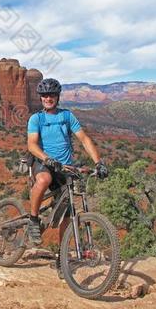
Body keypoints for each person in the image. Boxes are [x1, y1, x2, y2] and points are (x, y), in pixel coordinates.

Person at [26, 78, 109, 277]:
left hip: (65, 168)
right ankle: (33, 220)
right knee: (44, 180)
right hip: (43, 163)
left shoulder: (66, 116)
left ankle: (61, 259)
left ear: (57, 97)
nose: (48, 98)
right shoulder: (36, 119)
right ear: (40, 98)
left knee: (67, 215)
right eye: (44, 95)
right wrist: (48, 159)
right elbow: (32, 145)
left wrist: (99, 162)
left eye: (51, 95)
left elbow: (84, 139)